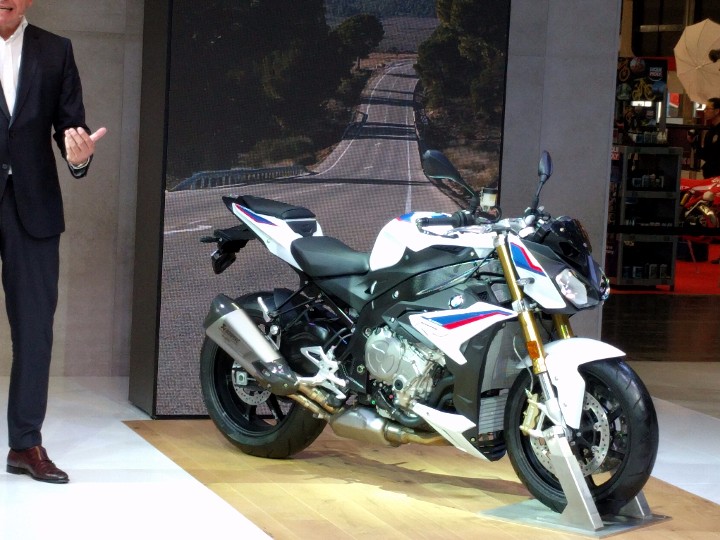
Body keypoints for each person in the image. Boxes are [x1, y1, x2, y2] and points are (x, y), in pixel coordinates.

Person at [0, 0, 106, 483]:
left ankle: (25, 444)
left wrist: (79, 157)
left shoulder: (56, 50)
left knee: (34, 330)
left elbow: (71, 128)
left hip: (34, 207)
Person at [689, 97, 720, 179]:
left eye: (707, 108)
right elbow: (705, 155)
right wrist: (693, 142)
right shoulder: (710, 131)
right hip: (710, 174)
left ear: (717, 111)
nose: (704, 111)